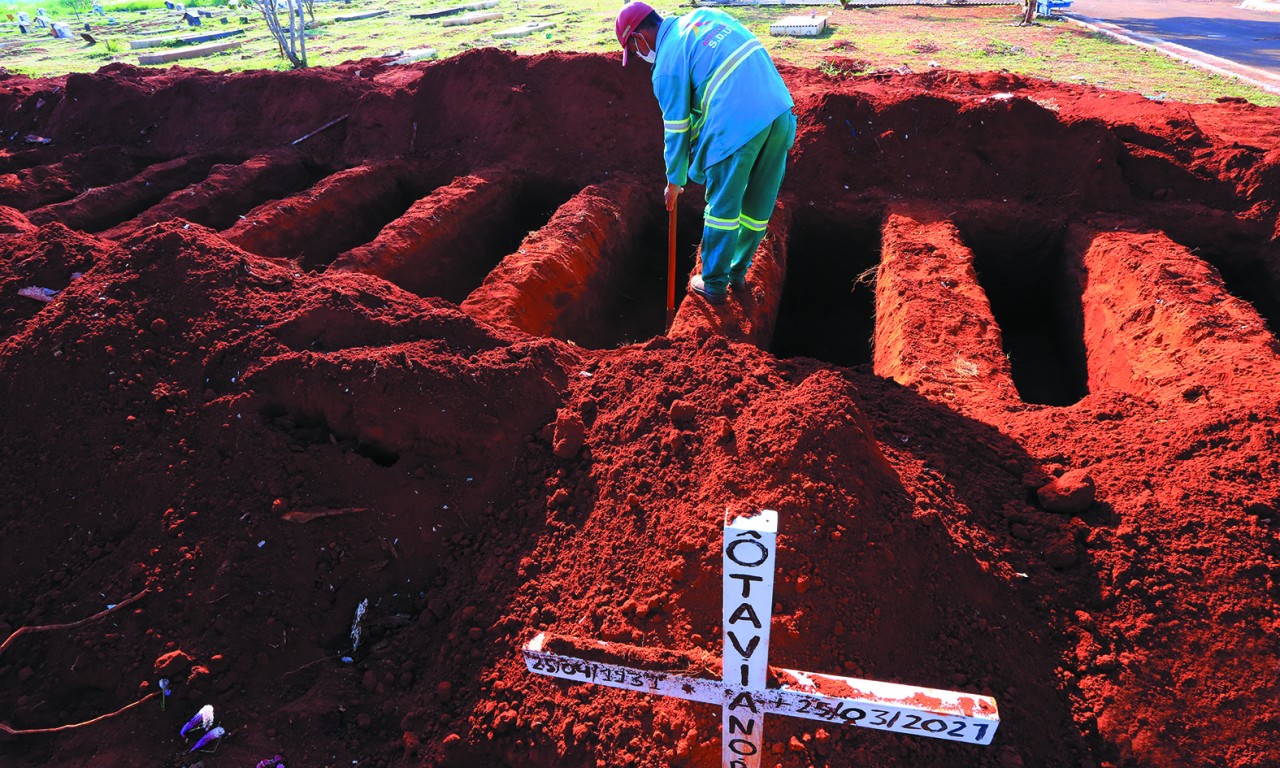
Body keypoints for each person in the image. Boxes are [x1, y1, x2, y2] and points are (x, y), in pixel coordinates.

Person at [615, 1, 796, 304]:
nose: (638, 56)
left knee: (723, 207)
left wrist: (675, 181)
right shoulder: (706, 16)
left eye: (632, 50)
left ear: (637, 37)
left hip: (736, 123)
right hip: (779, 111)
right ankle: (737, 272)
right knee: (758, 204)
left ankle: (713, 284)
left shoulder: (665, 67)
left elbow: (677, 128)